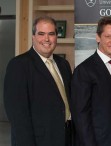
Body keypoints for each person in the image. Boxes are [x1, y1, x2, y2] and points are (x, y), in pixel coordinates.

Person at [4, 16, 73, 146]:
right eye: (41, 34)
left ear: (56, 37)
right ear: (33, 37)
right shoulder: (19, 65)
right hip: (39, 141)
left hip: (66, 137)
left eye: (51, 34)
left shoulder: (63, 64)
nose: (46, 39)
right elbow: (17, 116)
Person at [71, 16, 111, 146]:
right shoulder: (84, 70)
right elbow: (80, 116)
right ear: (98, 37)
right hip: (98, 141)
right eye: (108, 36)